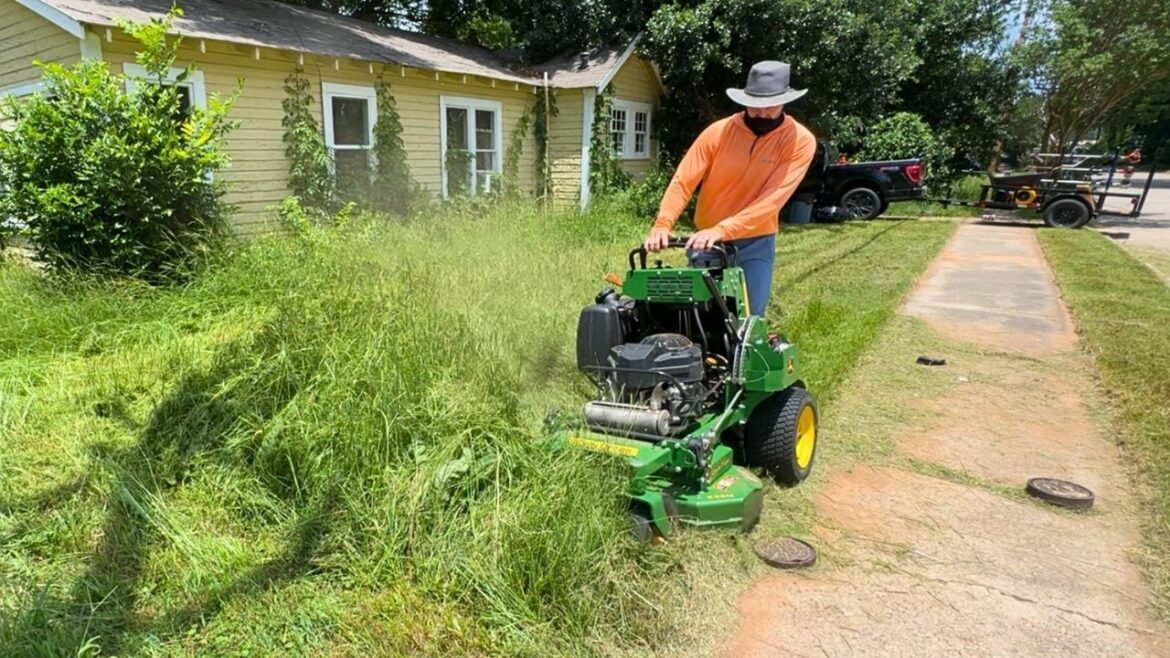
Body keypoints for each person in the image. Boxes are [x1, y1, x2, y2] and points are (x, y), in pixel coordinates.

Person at [644, 60, 817, 317]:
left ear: (785, 100)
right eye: (756, 105)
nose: (762, 113)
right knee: (699, 316)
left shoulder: (799, 141)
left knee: (748, 319)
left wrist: (723, 229)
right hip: (707, 241)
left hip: (756, 242)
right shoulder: (719, 132)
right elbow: (683, 181)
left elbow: (771, 201)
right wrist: (663, 223)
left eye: (770, 106)